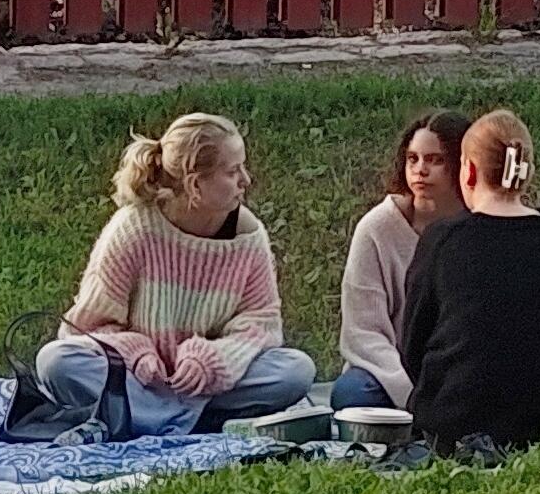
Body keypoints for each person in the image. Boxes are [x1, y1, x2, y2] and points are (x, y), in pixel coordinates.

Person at [21, 111, 318, 440]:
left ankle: (139, 419)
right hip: (141, 379)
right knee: (55, 361)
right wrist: (135, 353)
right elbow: (85, 328)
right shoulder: (133, 229)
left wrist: (212, 361)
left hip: (208, 384)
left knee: (295, 370)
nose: (246, 180)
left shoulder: (248, 237)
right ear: (195, 185)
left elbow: (260, 325)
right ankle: (188, 422)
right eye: (233, 171)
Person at [396, 105, 540, 458]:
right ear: (526, 173)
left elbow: (413, 344)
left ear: (468, 171)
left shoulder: (443, 240)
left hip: (450, 426)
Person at [332, 109, 469, 412]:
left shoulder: (477, 227)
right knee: (352, 393)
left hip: (457, 368)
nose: (421, 170)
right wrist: (411, 392)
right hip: (391, 370)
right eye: (413, 159)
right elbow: (363, 332)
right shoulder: (376, 228)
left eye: (435, 160)